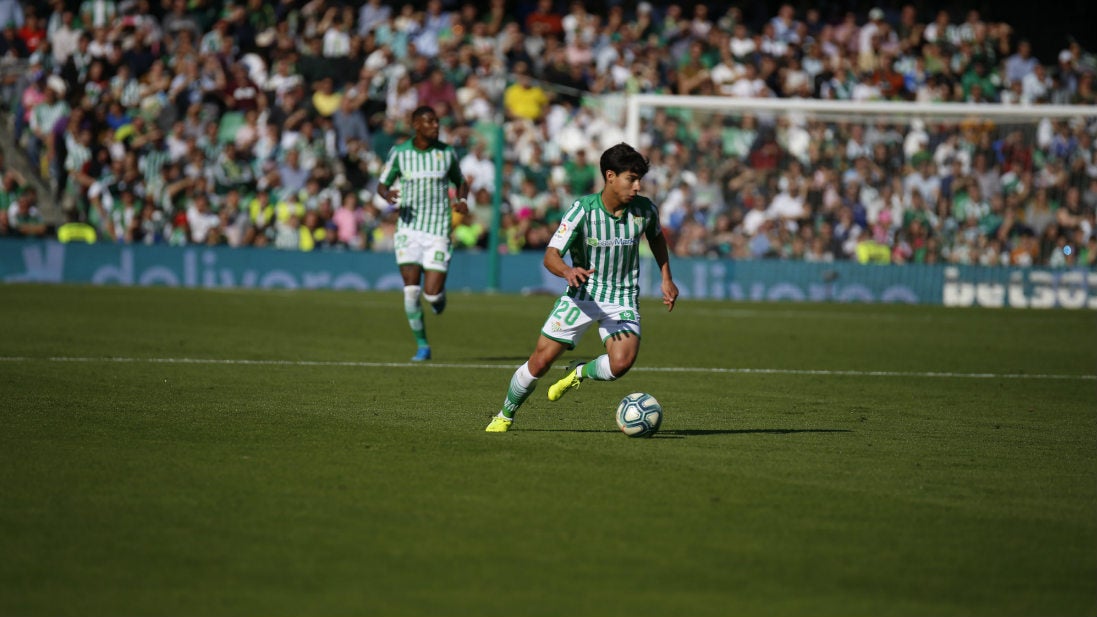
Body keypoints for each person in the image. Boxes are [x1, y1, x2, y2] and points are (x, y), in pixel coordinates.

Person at [485, 143, 679, 433]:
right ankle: (505, 414)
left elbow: (657, 238)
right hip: (582, 295)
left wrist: (666, 277)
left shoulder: (645, 210)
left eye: (640, 179)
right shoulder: (583, 210)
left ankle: (579, 372)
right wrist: (567, 270)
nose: (637, 186)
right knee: (540, 362)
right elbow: (551, 255)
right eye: (632, 179)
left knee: (621, 364)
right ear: (610, 176)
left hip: (621, 296)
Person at [376, 105, 470, 362]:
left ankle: (438, 298)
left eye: (437, 121)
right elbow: (382, 184)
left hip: (439, 228)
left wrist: (461, 198)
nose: (435, 126)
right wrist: (387, 195)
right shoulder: (400, 153)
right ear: (415, 125)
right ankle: (422, 346)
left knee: (431, 294)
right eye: (429, 122)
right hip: (408, 228)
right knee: (411, 291)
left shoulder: (447, 153)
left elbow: (461, 180)